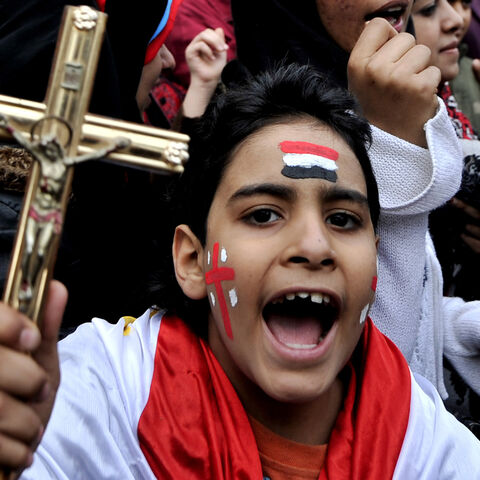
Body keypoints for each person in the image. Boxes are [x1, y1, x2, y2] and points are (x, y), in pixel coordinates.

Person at [0, 64, 477, 479]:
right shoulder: (94, 397)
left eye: (342, 220)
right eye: (264, 215)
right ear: (192, 260)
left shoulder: (428, 447)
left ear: (374, 258)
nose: (314, 246)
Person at [229, 0, 480, 404]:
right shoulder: (251, 141)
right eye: (344, 220)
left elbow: (410, 308)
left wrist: (459, 329)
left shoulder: (386, 96)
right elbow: (369, 380)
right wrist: (391, 147)